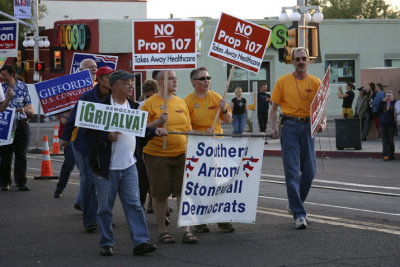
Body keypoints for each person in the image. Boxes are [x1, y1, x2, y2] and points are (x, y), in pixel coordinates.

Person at [85, 70, 164, 256]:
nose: (130, 85)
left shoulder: (135, 108)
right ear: (114, 86)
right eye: (125, 82)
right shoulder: (99, 108)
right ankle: (106, 242)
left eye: (131, 82)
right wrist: (106, 137)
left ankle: (140, 242)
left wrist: (155, 132)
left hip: (129, 166)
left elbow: (140, 132)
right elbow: (88, 138)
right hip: (106, 169)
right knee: (105, 208)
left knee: (135, 205)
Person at [269, 47, 326, 229]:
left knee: (309, 172)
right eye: (298, 59)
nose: (301, 61)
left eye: (304, 58)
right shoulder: (283, 82)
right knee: (292, 173)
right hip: (290, 128)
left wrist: (322, 122)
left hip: (309, 128)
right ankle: (299, 215)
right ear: (292, 62)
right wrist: (273, 128)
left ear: (309, 61)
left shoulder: (316, 82)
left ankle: (294, 205)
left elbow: (321, 108)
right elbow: (273, 107)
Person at [141, 70, 198, 244]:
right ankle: (162, 230)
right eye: (171, 78)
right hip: (157, 155)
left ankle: (186, 230)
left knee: (183, 193)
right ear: (161, 82)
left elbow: (187, 129)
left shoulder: (181, 102)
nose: (175, 81)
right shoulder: (149, 104)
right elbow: (140, 127)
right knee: (160, 194)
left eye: (176, 78)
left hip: (181, 154)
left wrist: (202, 134)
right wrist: (157, 123)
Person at [60, 65, 113, 233]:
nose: (113, 81)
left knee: (105, 184)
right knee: (89, 182)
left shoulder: (114, 97)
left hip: (104, 146)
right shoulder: (88, 96)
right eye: (109, 78)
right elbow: (74, 117)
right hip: (86, 145)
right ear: (101, 79)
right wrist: (65, 137)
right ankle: (90, 220)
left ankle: (104, 218)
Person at [184, 66, 235, 234]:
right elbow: (186, 128)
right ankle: (200, 220)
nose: (207, 81)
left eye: (208, 78)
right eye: (202, 78)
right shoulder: (188, 102)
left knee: (218, 184)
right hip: (197, 149)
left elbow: (228, 120)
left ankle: (222, 219)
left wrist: (224, 109)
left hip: (216, 148)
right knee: (200, 184)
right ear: (193, 82)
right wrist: (202, 133)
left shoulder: (216, 97)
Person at [0, 65, 34, 191]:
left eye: (4, 75)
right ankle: (4, 182)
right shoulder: (1, 88)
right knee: (5, 154)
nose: (2, 77)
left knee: (21, 154)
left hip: (20, 122)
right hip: (5, 123)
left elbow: (30, 108)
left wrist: (24, 109)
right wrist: (8, 97)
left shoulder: (23, 86)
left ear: (12, 75)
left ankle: (21, 181)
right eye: (1, 75)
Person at [377, 90, 396, 161]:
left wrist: (390, 104)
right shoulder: (383, 102)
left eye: (389, 96)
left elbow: (393, 113)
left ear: (392, 96)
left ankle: (392, 155)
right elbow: (377, 110)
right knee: (384, 141)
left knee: (390, 140)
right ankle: (386, 156)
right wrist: (382, 102)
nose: (388, 97)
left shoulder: (395, 103)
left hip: (391, 125)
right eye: (387, 96)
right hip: (382, 124)